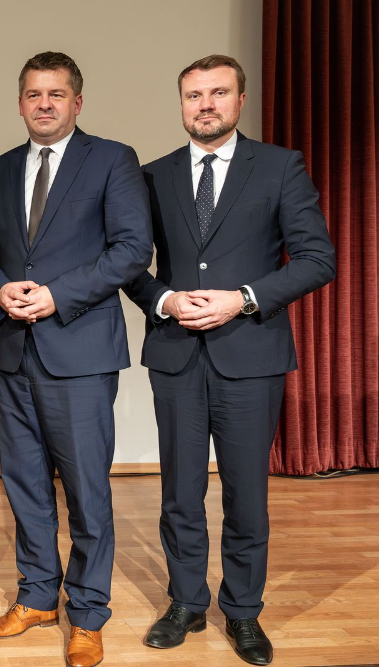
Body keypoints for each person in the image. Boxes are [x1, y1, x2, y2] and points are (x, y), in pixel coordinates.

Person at [123, 55, 336, 666]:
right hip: (176, 356)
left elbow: (318, 258)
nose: (205, 104)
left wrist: (243, 299)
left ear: (241, 100)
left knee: (246, 496)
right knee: (179, 494)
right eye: (193, 95)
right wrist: (163, 298)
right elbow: (129, 262)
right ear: (182, 103)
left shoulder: (278, 167)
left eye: (218, 92)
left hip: (252, 356)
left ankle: (243, 612)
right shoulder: (152, 175)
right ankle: (186, 602)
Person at [0, 52, 152, 667]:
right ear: (19, 103)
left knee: (87, 491)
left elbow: (131, 250)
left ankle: (89, 612)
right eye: (33, 94)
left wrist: (55, 294)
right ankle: (39, 594)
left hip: (79, 351)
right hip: (13, 352)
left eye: (57, 94)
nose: (44, 104)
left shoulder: (112, 159)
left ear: (78, 103)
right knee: (23, 486)